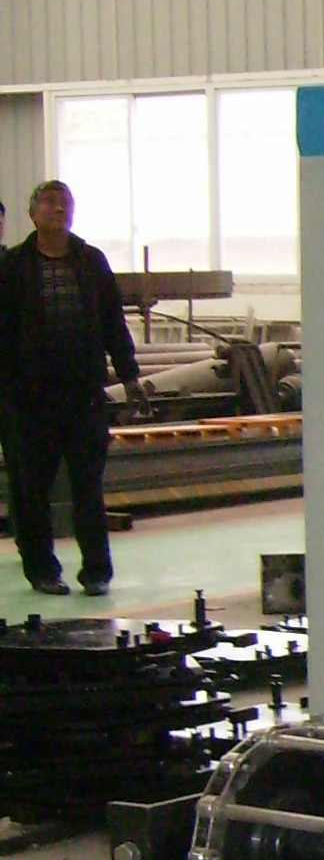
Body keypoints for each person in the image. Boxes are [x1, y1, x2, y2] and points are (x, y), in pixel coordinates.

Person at [0, 179, 146, 596]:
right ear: (33, 214)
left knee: (88, 487)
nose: (59, 209)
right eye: (50, 203)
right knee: (30, 490)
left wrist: (130, 374)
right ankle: (42, 569)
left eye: (65, 203)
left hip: (83, 396)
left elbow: (113, 322)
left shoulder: (91, 262)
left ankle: (96, 571)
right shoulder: (12, 268)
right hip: (28, 400)